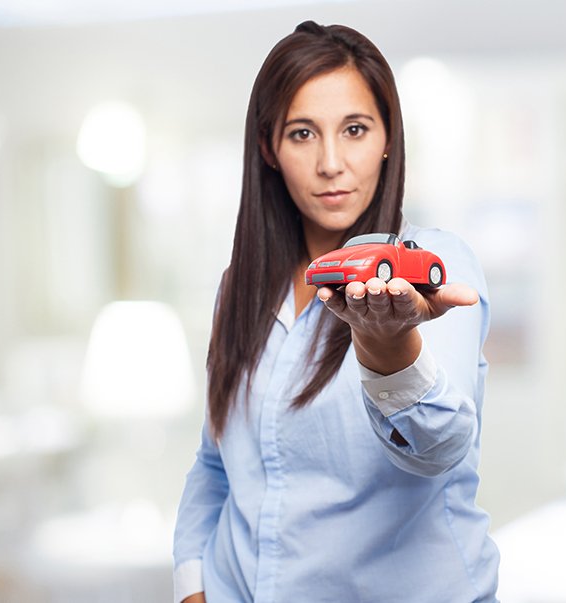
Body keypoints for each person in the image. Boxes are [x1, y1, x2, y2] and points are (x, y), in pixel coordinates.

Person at [173, 20, 500, 603]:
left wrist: (391, 353)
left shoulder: (434, 263)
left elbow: (441, 448)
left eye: (354, 129)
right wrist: (192, 587)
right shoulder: (239, 289)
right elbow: (216, 463)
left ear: (387, 140)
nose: (330, 162)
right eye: (302, 133)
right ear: (269, 148)